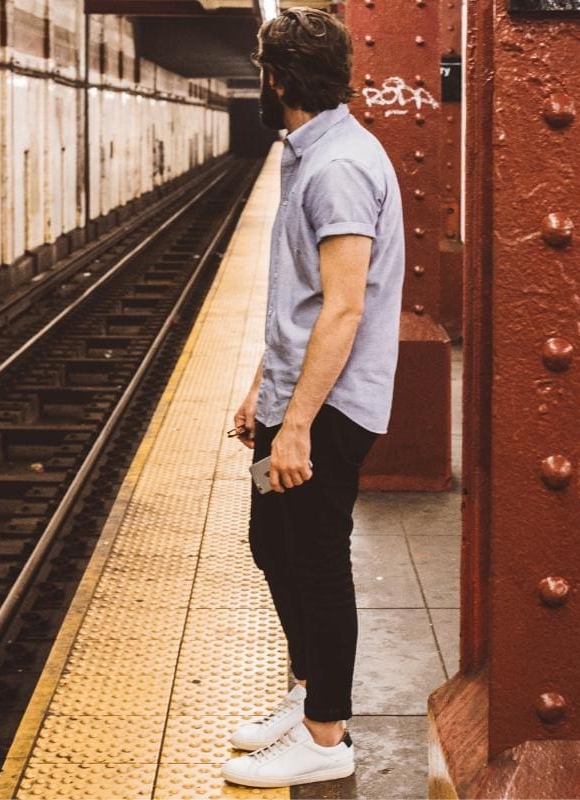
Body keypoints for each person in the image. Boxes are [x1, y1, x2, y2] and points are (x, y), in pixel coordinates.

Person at [219, 6, 405, 790]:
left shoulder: (335, 168)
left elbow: (344, 306)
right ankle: (306, 696)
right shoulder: (309, 151)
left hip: (325, 412)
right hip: (295, 397)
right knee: (274, 543)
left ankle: (326, 734)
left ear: (279, 78)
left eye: (265, 71)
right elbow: (299, 299)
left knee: (318, 559)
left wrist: (294, 424)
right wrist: (263, 385)